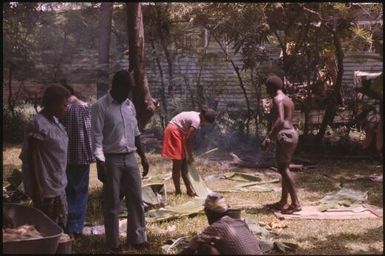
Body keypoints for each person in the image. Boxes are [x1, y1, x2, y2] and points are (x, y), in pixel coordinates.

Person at [91, 70, 150, 252]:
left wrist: (143, 157)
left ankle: (137, 239)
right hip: (111, 159)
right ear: (116, 86)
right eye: (127, 89)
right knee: (112, 202)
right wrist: (100, 164)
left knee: (136, 199)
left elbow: (136, 133)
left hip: (130, 157)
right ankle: (113, 244)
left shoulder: (129, 105)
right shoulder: (100, 106)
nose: (129, 93)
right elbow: (96, 137)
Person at [19, 85, 71, 229]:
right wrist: (37, 186)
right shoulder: (38, 124)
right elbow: (32, 156)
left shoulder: (55, 122)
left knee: (60, 222)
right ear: (53, 104)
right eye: (64, 105)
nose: (66, 108)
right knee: (46, 225)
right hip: (45, 183)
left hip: (58, 181)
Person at [260, 75, 301, 214]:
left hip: (285, 135)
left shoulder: (277, 99)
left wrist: (268, 138)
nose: (266, 89)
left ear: (272, 87)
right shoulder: (288, 99)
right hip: (292, 134)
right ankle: (283, 202)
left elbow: (280, 120)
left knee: (283, 169)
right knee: (285, 168)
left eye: (267, 87)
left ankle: (295, 203)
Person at [61, 81, 95, 238]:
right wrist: (91, 153)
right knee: (80, 192)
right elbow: (89, 132)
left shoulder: (63, 108)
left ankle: (66, 225)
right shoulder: (84, 106)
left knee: (66, 190)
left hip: (64, 156)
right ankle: (77, 226)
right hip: (82, 156)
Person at [181, 192, 263, 255]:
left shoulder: (217, 227)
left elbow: (191, 247)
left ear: (208, 212)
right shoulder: (241, 223)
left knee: (205, 248)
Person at [161, 106, 216, 196]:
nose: (205, 124)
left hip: (179, 132)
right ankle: (178, 191)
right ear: (204, 118)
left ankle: (189, 190)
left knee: (184, 164)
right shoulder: (197, 120)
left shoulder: (197, 116)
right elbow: (187, 139)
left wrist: (188, 155)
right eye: (206, 122)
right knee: (177, 164)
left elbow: (186, 138)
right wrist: (190, 156)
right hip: (173, 131)